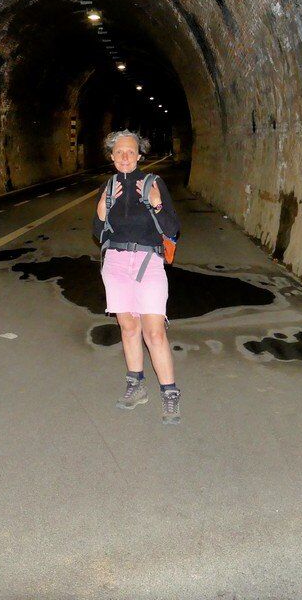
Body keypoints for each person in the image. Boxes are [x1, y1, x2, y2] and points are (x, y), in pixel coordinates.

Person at [91, 130, 182, 424]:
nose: (125, 157)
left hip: (148, 261)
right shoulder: (108, 187)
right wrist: (102, 211)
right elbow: (97, 232)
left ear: (140, 155)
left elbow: (172, 229)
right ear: (112, 156)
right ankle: (136, 384)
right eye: (119, 152)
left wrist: (156, 203)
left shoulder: (153, 183)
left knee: (154, 331)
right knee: (128, 327)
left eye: (131, 152)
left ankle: (169, 394)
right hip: (116, 263)